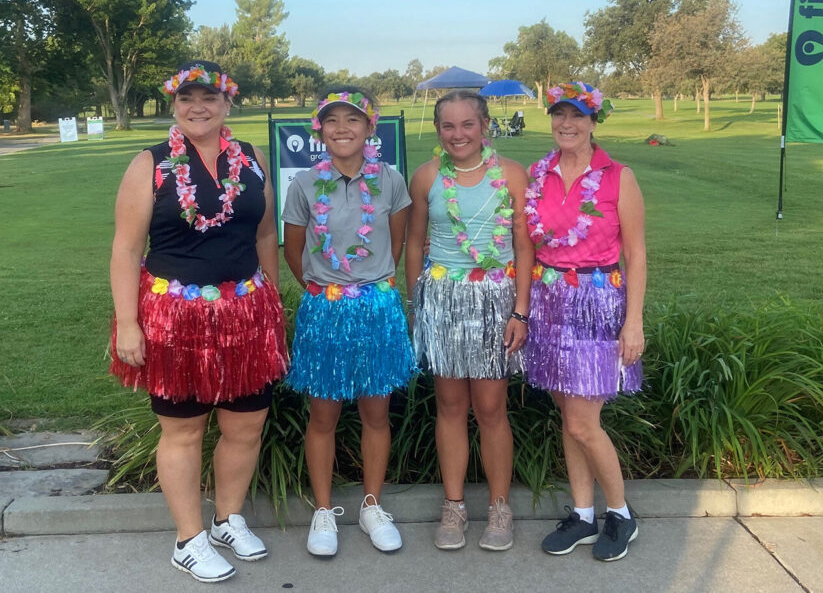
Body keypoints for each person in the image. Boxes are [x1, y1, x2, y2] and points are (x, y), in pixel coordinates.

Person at [109, 61, 288, 583]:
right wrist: (127, 322)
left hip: (246, 311)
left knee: (246, 421)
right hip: (175, 316)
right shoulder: (152, 165)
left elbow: (262, 237)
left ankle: (228, 519)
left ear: (228, 104)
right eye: (187, 98)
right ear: (174, 105)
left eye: (209, 97)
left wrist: (272, 304)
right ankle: (189, 538)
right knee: (184, 430)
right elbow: (125, 249)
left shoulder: (252, 160)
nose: (198, 106)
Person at [282, 87, 416, 557]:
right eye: (332, 120)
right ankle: (323, 511)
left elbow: (396, 244)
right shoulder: (302, 184)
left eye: (352, 120)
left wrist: (368, 283)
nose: (342, 128)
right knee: (324, 415)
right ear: (319, 130)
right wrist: (323, 289)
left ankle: (372, 506)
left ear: (369, 128)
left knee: (376, 413)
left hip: (377, 308)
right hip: (325, 310)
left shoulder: (391, 180)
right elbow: (293, 250)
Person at [405, 90, 533, 552]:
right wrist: (417, 305)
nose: (458, 134)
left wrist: (521, 310)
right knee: (450, 406)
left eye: (467, 124)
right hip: (442, 297)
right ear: (438, 130)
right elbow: (415, 243)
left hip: (496, 299)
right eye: (448, 126)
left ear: (484, 126)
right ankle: (454, 506)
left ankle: (500, 508)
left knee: (491, 407)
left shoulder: (513, 176)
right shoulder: (427, 178)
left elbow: (523, 246)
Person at [523, 82, 645, 562]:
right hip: (549, 301)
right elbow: (530, 241)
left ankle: (620, 514)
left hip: (597, 304)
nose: (566, 124)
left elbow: (636, 255)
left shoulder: (619, 177)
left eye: (577, 116)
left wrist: (632, 322)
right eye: (559, 115)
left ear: (595, 122)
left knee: (582, 420)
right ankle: (583, 514)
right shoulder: (538, 173)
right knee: (568, 418)